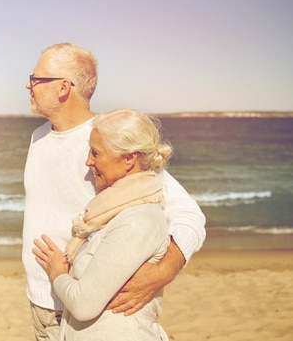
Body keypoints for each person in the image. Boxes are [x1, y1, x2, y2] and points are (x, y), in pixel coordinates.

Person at [21, 42, 206, 341]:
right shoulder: (38, 137)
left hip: (81, 313)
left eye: (36, 78)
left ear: (63, 88)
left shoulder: (107, 140)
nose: (27, 85)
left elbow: (189, 216)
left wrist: (163, 271)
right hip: (40, 303)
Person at [33, 108, 172, 340]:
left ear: (129, 158)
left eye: (96, 153)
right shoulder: (110, 207)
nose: (88, 161)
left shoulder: (139, 220)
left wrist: (57, 271)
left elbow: (83, 304)